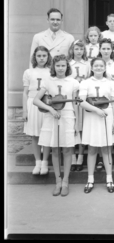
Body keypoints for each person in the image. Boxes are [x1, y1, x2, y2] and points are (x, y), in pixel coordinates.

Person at [33, 55, 80, 196]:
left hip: (68, 116)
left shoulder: (73, 82)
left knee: (67, 150)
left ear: (67, 67)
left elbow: (75, 103)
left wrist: (77, 122)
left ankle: (65, 181)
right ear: (54, 67)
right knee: (55, 149)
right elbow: (36, 100)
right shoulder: (48, 81)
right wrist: (51, 109)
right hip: (52, 117)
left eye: (63, 65)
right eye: (58, 65)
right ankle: (57, 181)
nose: (60, 68)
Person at [79, 57, 114, 194]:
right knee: (91, 149)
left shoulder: (110, 83)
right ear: (91, 67)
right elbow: (81, 101)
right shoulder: (85, 83)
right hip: (92, 116)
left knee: (107, 149)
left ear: (104, 67)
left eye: (101, 66)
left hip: (107, 116)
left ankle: (109, 179)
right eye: (96, 66)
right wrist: (96, 110)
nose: (98, 68)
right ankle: (90, 179)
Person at [22, 46, 52, 175]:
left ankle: (45, 162)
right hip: (32, 103)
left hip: (46, 103)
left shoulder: (51, 71)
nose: (41, 58)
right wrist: (25, 110)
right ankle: (37, 162)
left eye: (44, 56)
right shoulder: (29, 72)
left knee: (46, 133)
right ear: (35, 57)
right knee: (34, 134)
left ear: (48, 57)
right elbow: (25, 92)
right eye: (39, 56)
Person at [97, 39, 114, 154]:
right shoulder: (95, 64)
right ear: (99, 49)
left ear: (112, 50)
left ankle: (108, 155)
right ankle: (99, 156)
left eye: (108, 48)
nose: (106, 51)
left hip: (110, 101)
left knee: (109, 129)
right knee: (98, 129)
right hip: (97, 101)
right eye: (103, 48)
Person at [67, 40, 91, 172]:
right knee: (71, 126)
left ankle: (81, 157)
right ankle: (72, 156)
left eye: (81, 49)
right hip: (71, 98)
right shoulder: (69, 63)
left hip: (82, 98)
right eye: (76, 49)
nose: (79, 51)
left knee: (81, 127)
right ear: (72, 50)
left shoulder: (87, 64)